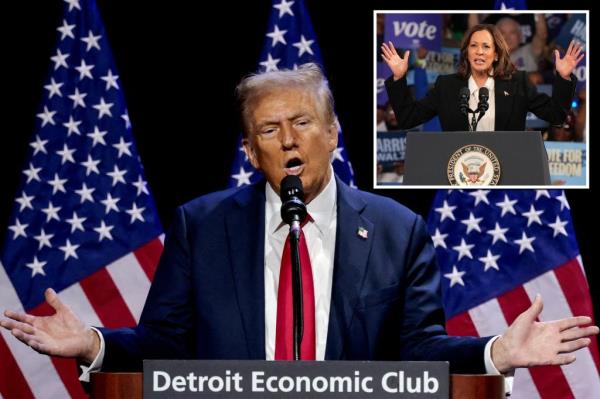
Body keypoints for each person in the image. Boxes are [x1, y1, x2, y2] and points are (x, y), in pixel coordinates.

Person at [1, 64, 597, 380]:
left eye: (303, 122)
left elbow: (420, 350)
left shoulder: (396, 231)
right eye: (268, 129)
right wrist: (93, 345)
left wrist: (496, 351)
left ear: (334, 133)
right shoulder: (201, 227)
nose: (288, 140)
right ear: (250, 151)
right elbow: (165, 345)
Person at [381, 24, 582, 132]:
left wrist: (563, 77)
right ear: (466, 52)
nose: (479, 52)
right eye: (473, 46)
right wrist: (399, 78)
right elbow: (408, 118)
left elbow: (556, 116)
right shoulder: (447, 86)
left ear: (496, 54)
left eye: (486, 46)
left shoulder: (517, 83)